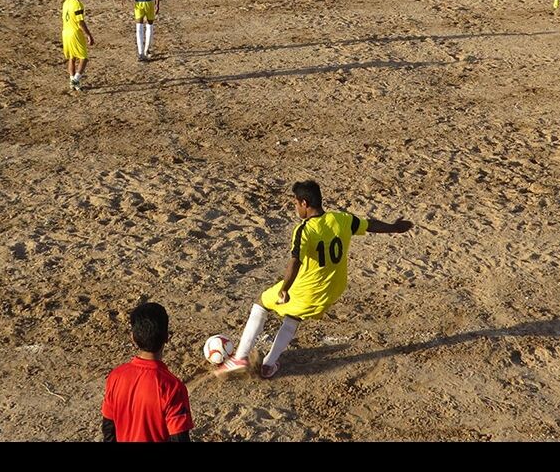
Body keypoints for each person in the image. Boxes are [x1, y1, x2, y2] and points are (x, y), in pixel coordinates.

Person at [216, 180, 412, 379]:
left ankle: (240, 358)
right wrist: (395, 228)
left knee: (261, 304)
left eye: (295, 204)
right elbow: (369, 224)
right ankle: (268, 364)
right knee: (294, 316)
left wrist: (285, 288)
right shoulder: (342, 219)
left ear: (304, 203)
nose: (295, 208)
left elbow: (295, 262)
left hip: (307, 288)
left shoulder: (305, 229)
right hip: (333, 289)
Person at [101, 302, 193, 443]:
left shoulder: (116, 376)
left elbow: (108, 429)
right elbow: (180, 438)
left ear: (133, 337)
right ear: (167, 337)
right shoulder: (173, 387)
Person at [61, 0, 94, 91]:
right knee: (84, 58)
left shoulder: (66, 2)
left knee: (72, 58)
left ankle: (72, 82)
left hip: (65, 33)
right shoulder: (77, 4)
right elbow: (80, 22)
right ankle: (76, 79)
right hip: (75, 33)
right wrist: (89, 35)